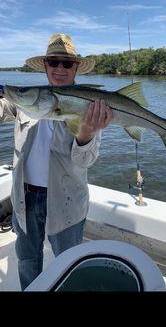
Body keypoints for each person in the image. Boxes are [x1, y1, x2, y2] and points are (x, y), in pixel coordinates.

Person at [0, 33, 114, 290]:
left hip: (67, 200)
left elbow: (86, 161)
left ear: (76, 68)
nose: (59, 68)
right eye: (53, 62)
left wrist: (86, 133)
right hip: (23, 198)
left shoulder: (92, 105)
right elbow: (3, 107)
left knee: (68, 263)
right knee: (27, 260)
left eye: (66, 63)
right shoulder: (27, 100)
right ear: (45, 66)